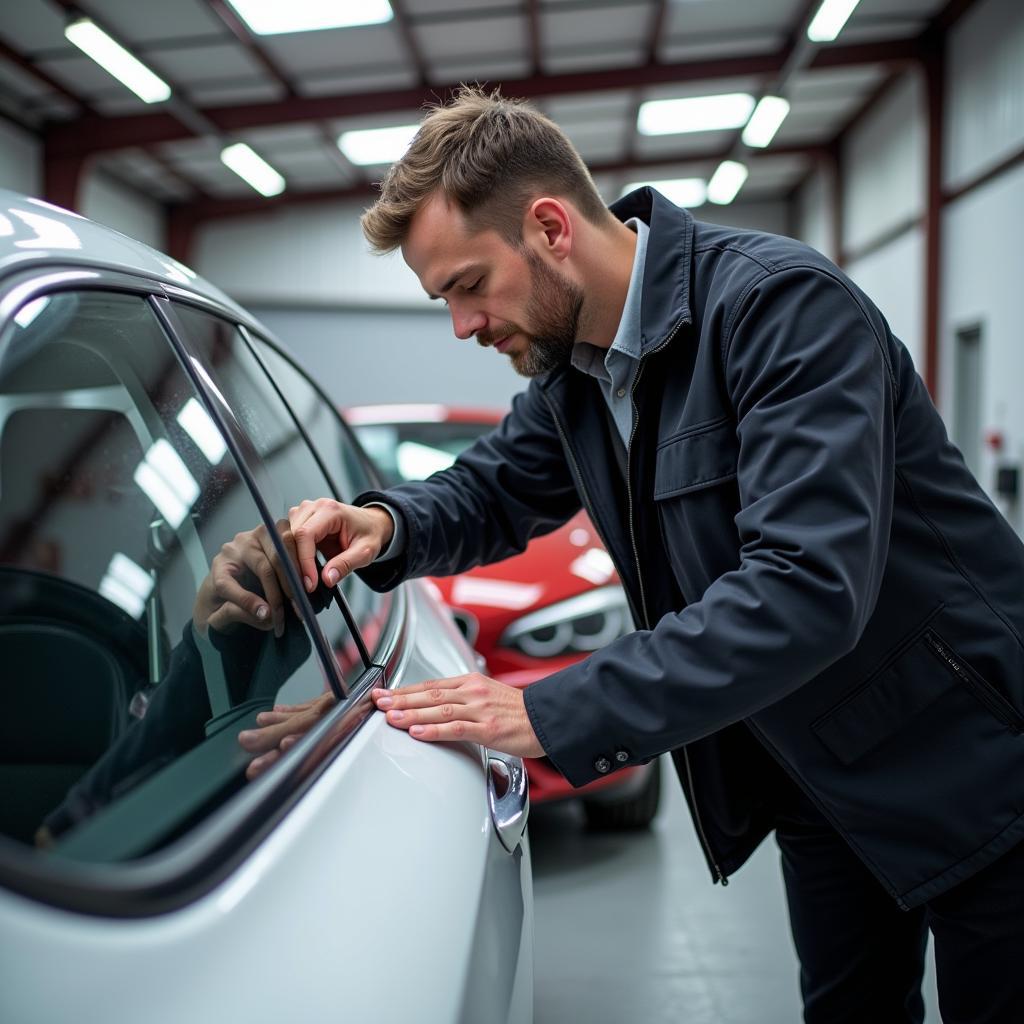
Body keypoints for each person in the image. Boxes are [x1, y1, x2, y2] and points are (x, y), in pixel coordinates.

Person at [241, 87, 1024, 1022]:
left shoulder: (780, 311)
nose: (462, 325)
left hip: (974, 755)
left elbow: (808, 587)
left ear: (549, 227)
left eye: (467, 285)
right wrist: (386, 525)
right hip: (823, 770)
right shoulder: (576, 372)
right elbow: (492, 489)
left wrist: (551, 709)